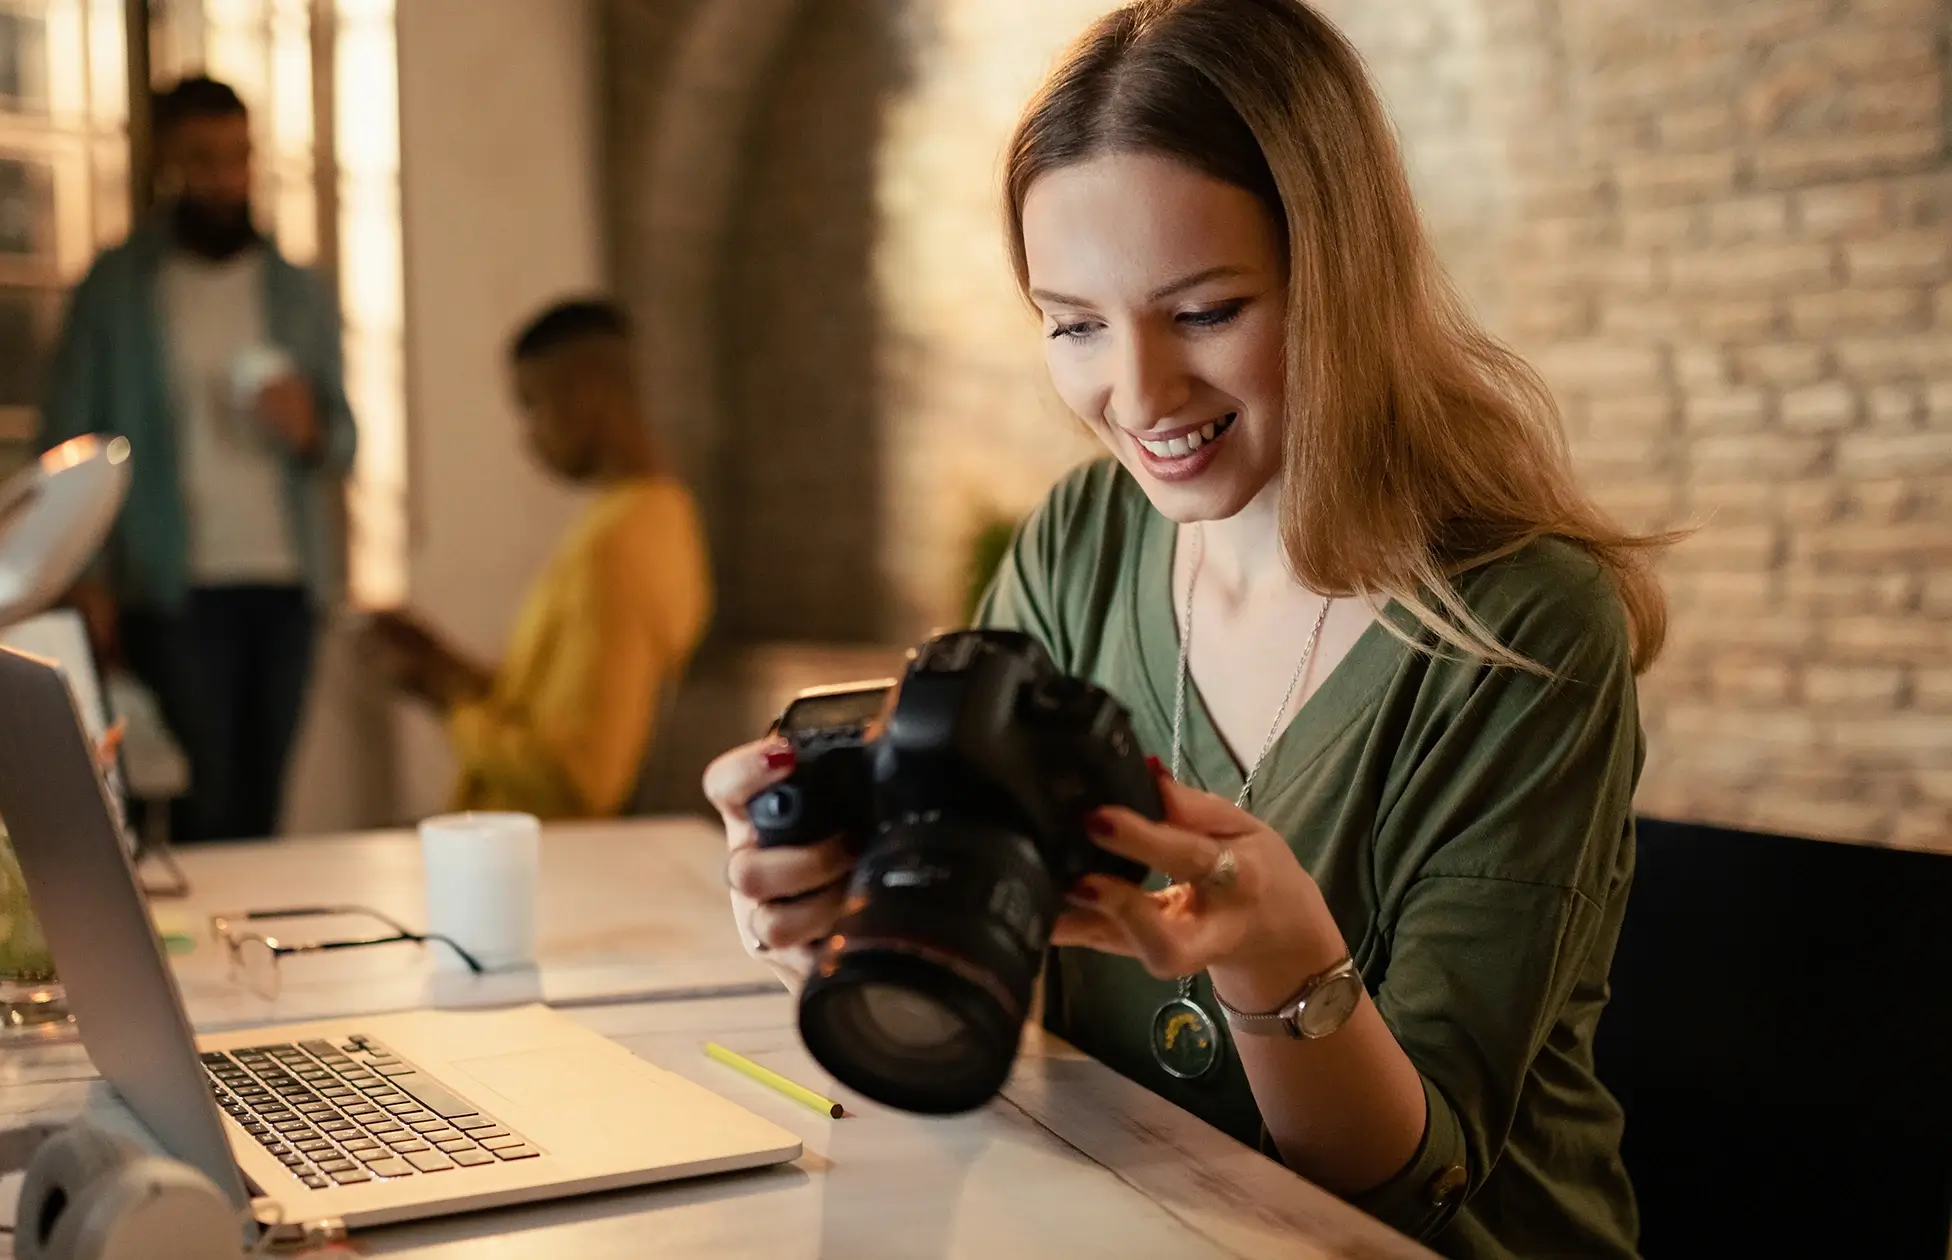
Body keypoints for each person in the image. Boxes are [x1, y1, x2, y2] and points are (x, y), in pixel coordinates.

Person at [704, 2, 1669, 1257]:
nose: (1139, 396)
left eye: (1206, 312)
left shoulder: (1527, 629)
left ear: (1342, 280)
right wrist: (843, 927)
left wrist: (1284, 970)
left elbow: (1418, 1182)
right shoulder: (1081, 543)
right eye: (1074, 323)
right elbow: (993, 965)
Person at [38, 76, 356, 843]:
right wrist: (86, 578)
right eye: (205, 159)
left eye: (240, 158)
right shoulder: (115, 292)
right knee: (203, 802)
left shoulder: (296, 290)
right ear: (169, 165)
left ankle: (257, 955)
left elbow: (342, 442)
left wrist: (308, 427)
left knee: (263, 804)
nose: (226, 177)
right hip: (172, 585)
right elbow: (64, 445)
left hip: (287, 583)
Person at [362, 299, 710, 820]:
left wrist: (452, 707)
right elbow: (555, 710)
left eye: (530, 405)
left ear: (586, 392)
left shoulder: (619, 548)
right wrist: (452, 670)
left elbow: (578, 782)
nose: (526, 436)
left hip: (550, 864)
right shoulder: (646, 519)